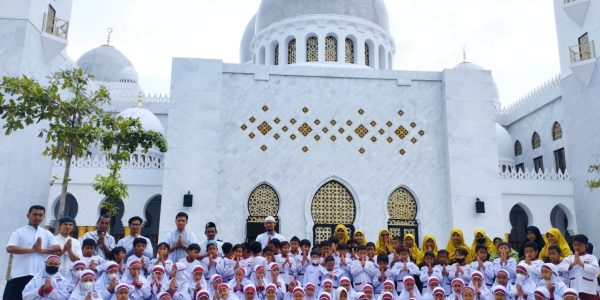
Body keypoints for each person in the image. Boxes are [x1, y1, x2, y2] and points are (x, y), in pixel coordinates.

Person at [4, 205, 61, 300]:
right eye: (35, 214)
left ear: (43, 217)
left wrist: (42, 250)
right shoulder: (19, 232)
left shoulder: (46, 233)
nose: (37, 217)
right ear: (28, 215)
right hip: (20, 274)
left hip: (39, 276)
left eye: (40, 215)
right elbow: (10, 248)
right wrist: (32, 250)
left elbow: (57, 248)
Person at [562, 234, 600, 300]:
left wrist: (581, 264)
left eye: (580, 244)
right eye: (575, 244)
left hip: (589, 290)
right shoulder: (568, 259)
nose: (577, 247)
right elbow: (562, 268)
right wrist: (573, 264)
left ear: (586, 246)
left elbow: (596, 270)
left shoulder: (591, 257)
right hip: (575, 289)